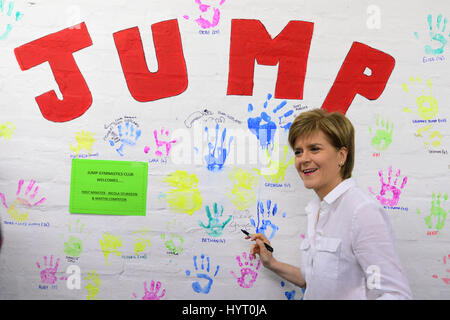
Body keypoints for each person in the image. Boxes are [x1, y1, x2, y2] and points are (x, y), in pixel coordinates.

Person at [247, 108, 412, 300]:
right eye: (299, 152)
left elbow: (394, 294)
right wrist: (272, 263)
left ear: (341, 156)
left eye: (314, 149)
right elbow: (316, 283)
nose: (304, 159)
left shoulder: (362, 211)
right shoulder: (317, 209)